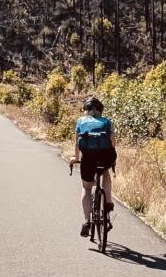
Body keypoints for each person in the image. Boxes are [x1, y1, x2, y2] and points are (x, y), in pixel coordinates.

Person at [70, 95, 117, 237]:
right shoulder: (108, 122)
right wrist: (112, 158)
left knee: (86, 187)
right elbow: (113, 141)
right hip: (105, 157)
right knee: (106, 173)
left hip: (88, 159)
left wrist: (75, 158)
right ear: (100, 110)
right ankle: (108, 201)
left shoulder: (80, 121)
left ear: (86, 109)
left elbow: (77, 143)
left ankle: (86, 221)